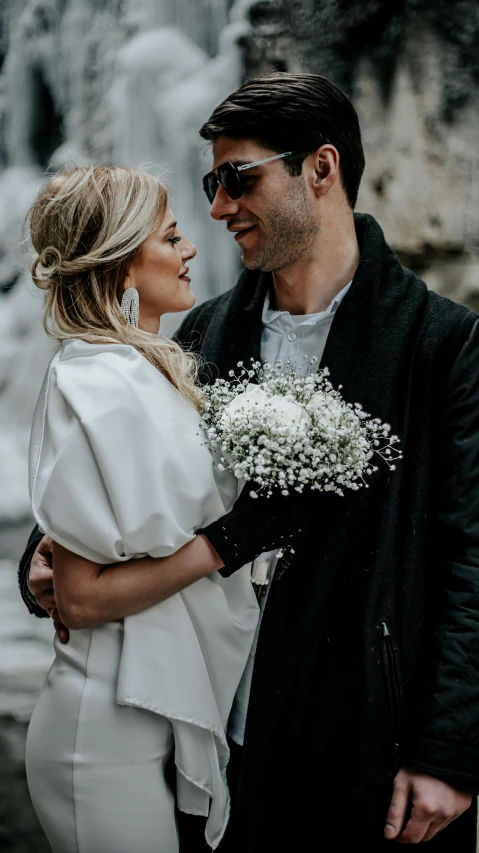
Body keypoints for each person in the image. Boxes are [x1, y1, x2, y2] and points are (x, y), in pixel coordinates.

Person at [19, 74, 479, 851]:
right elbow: (108, 483)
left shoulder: (441, 344)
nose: (218, 207)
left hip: (364, 737)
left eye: (238, 179)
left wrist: (450, 750)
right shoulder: (192, 334)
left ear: (321, 170)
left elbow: (469, 554)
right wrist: (44, 560)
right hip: (202, 730)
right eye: (211, 182)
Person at [22, 165, 267, 853]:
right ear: (123, 265)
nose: (192, 249)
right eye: (172, 236)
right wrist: (232, 539)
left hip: (151, 710)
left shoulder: (146, 370)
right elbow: (81, 596)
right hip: (101, 733)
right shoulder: (99, 379)